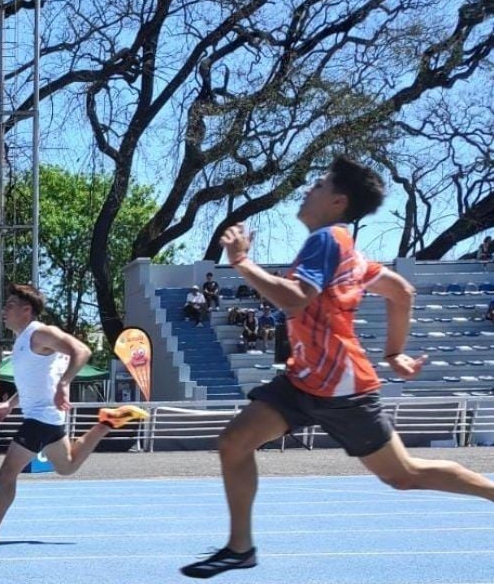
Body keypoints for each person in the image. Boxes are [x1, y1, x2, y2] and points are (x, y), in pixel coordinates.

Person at [181, 157, 494, 578]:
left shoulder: (328, 240)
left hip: (343, 389)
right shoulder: (347, 250)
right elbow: (400, 291)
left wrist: (241, 262)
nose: (310, 187)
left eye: (320, 183)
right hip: (302, 379)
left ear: (338, 201)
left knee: (404, 476)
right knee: (235, 442)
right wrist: (394, 353)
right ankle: (240, 548)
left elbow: (295, 298)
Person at [0, 283, 148, 547]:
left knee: (8, 470)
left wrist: (65, 383)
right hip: (47, 416)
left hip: (41, 417)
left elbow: (82, 351)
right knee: (66, 466)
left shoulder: (40, 332)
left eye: (10, 306)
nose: (4, 310)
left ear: (26, 310)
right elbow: (35, 381)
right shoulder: (23, 342)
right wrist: (10, 404)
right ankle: (105, 423)